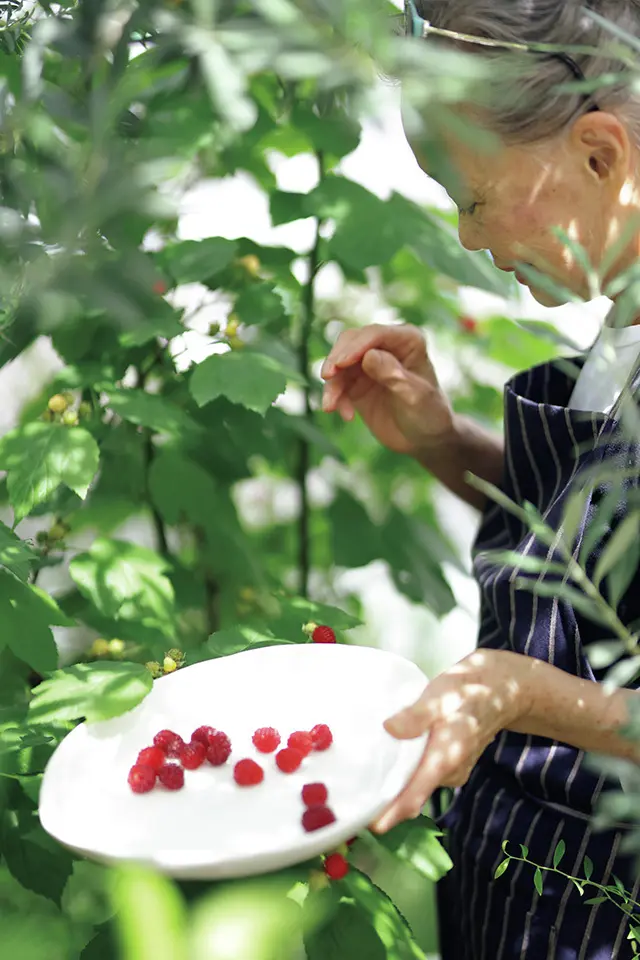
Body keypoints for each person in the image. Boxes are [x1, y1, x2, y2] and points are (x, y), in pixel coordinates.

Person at [321, 2, 640, 958]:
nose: (465, 237)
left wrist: (519, 694)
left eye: (471, 197)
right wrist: (442, 442)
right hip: (518, 891)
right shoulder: (621, 333)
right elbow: (589, 541)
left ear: (599, 156)